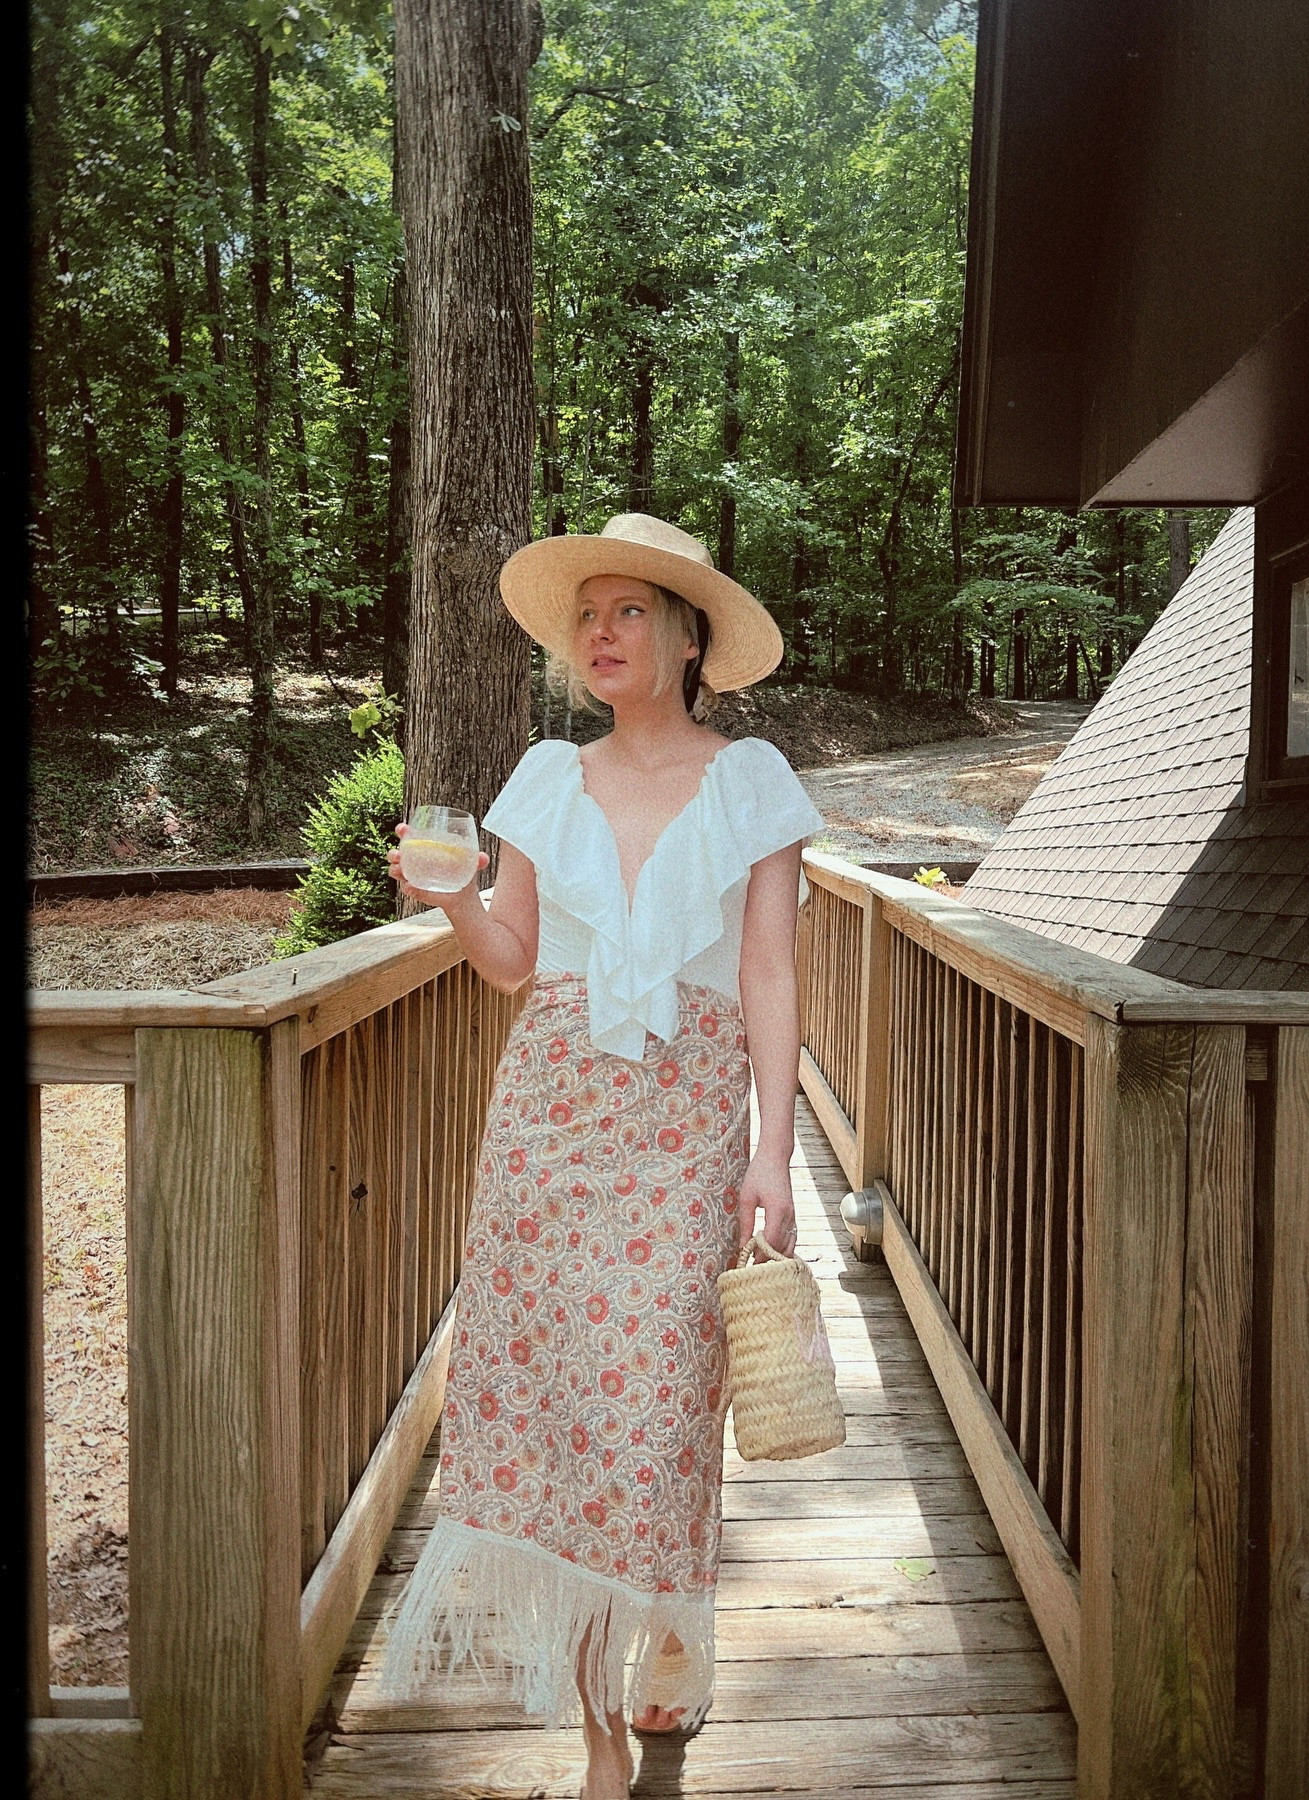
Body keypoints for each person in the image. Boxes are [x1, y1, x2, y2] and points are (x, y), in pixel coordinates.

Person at [378, 513, 824, 1800]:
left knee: (667, 1407)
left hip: (687, 1125)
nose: (602, 634)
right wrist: (454, 894)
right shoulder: (538, 777)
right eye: (589, 616)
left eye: (631, 612)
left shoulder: (752, 781)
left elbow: (770, 973)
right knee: (563, 1415)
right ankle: (593, 1730)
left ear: (691, 639)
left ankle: (673, 1633)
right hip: (550, 1125)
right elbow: (514, 960)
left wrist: (774, 1156)